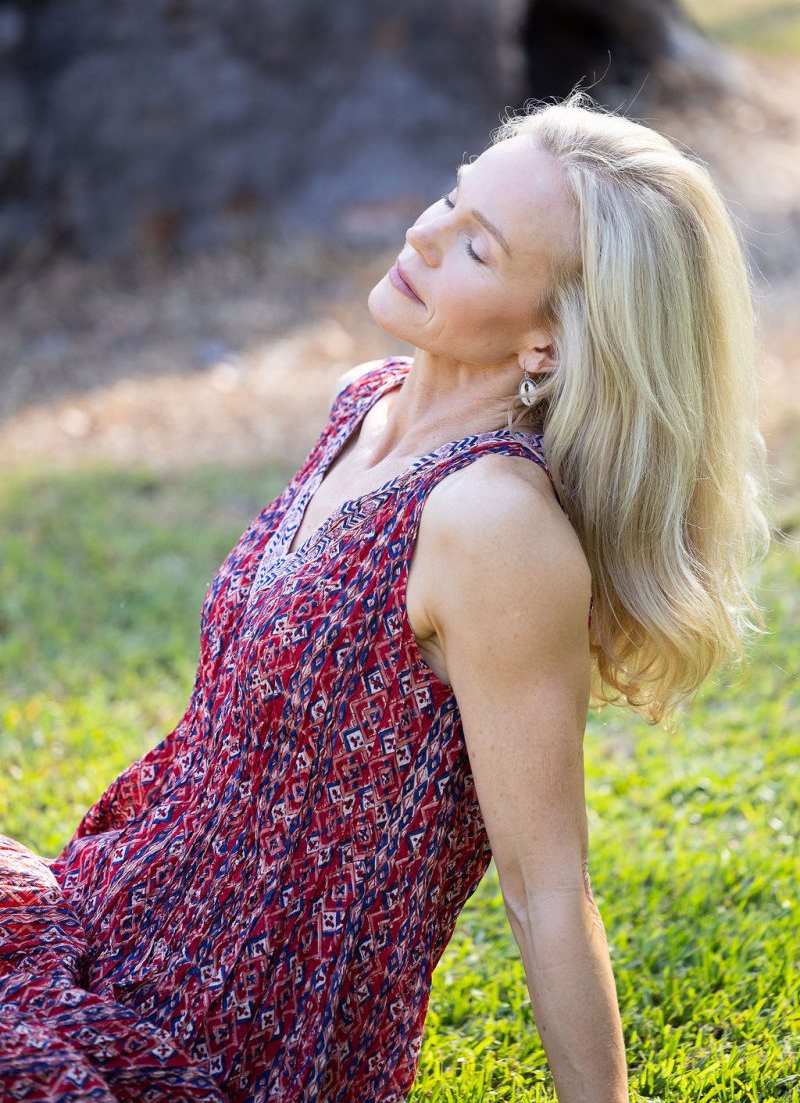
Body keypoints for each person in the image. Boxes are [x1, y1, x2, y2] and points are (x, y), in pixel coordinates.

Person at [0, 89, 771, 1103]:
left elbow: (547, 890)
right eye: (452, 199)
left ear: (547, 342)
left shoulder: (491, 525)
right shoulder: (365, 403)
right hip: (112, 909)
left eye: (477, 248)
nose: (423, 234)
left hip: (219, 1029)